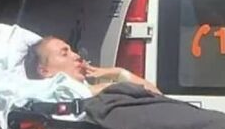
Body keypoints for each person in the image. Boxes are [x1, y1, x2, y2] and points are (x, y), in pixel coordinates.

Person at [26, 36, 160, 97]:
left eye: (72, 51)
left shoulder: (86, 90)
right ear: (44, 71)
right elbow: (144, 91)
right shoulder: (52, 91)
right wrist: (115, 84)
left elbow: (156, 94)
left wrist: (118, 73)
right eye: (64, 54)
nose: (76, 56)